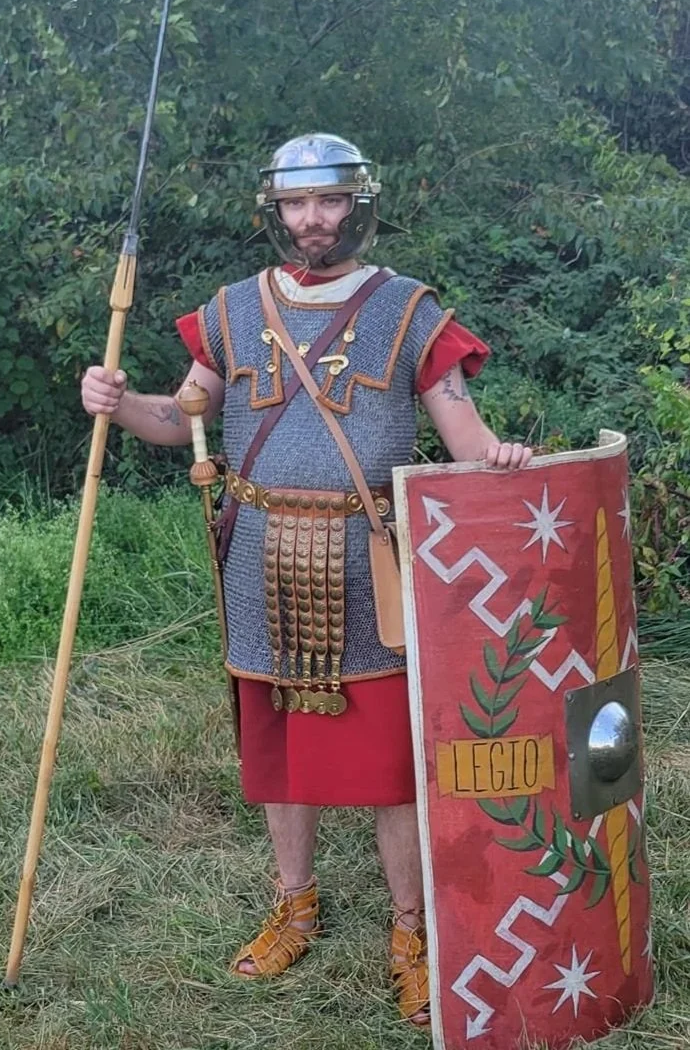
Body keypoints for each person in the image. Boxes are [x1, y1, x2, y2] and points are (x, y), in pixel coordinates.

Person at [81, 133, 532, 1026]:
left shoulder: (409, 311)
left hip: (369, 564)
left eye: (328, 202)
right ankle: (296, 901)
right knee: (280, 751)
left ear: (357, 205)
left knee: (389, 763)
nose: (313, 221)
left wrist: (505, 460)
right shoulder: (234, 309)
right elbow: (184, 413)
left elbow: (468, 441)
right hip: (256, 554)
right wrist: (120, 404)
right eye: (297, 204)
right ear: (275, 211)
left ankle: (410, 930)